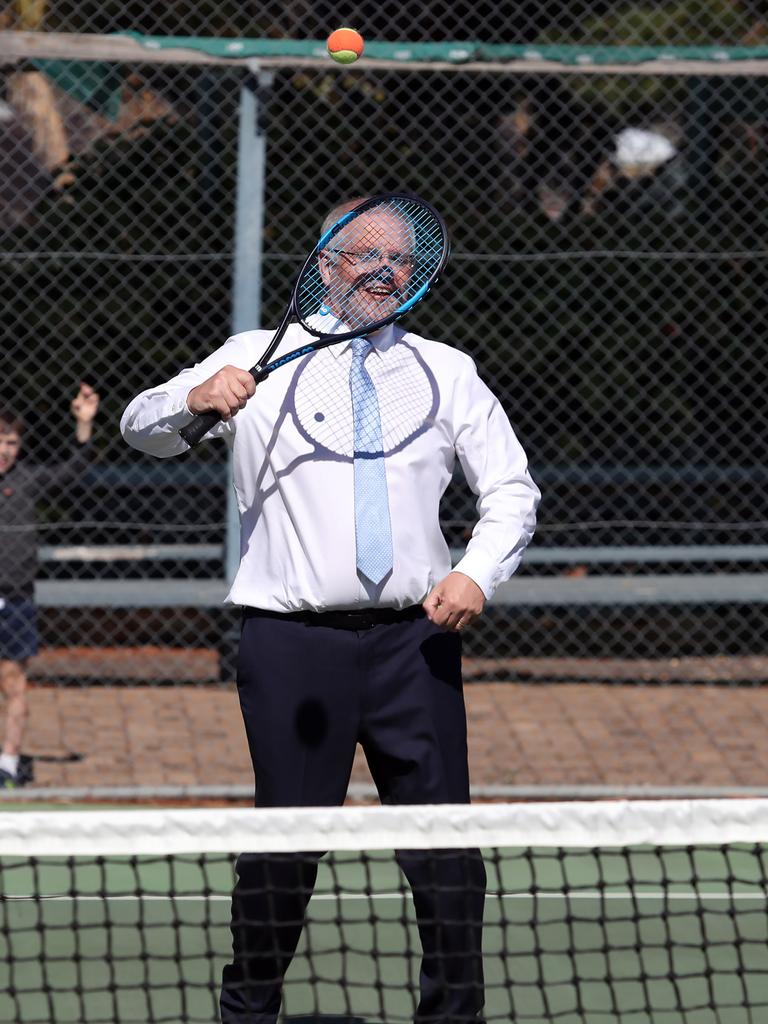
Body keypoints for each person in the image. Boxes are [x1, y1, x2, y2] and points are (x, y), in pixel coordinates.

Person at [121, 196, 540, 1024]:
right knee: (285, 848)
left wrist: (477, 575)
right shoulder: (253, 355)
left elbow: (512, 492)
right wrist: (199, 398)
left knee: (446, 853)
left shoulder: (447, 369)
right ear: (326, 266)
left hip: (414, 646)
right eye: (366, 255)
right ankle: (249, 1011)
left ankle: (453, 1015)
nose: (386, 270)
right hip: (291, 647)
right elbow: (142, 426)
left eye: (402, 260)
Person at [0, 383, 100, 789]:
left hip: (18, 600)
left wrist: (83, 424)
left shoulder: (27, 479)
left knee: (14, 683)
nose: (5, 449)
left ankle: (7, 763)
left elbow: (76, 467)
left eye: (10, 441)